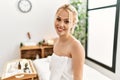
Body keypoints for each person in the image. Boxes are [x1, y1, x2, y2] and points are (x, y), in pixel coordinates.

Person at [49, 4, 85, 80]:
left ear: (73, 24)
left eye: (66, 21)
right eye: (58, 19)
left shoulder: (76, 47)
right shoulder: (56, 41)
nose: (61, 24)